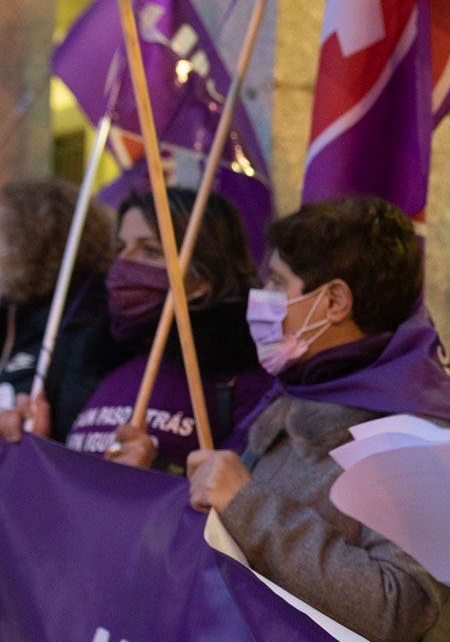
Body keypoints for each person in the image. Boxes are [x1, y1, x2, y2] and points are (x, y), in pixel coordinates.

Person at [186, 195, 450, 642]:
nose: (262, 299)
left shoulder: (415, 430)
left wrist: (248, 506)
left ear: (334, 301)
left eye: (279, 283)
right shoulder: (300, 387)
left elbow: (398, 607)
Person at [14, 188, 275, 474]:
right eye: (120, 248)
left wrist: (156, 472)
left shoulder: (242, 380)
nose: (123, 262)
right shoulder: (102, 364)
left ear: (202, 280)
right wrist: (39, 445)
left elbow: (244, 498)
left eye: (150, 251)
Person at [0, 179, 117, 435]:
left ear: (36, 238)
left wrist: (40, 439)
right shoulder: (13, 312)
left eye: (3, 236)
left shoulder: (90, 321)